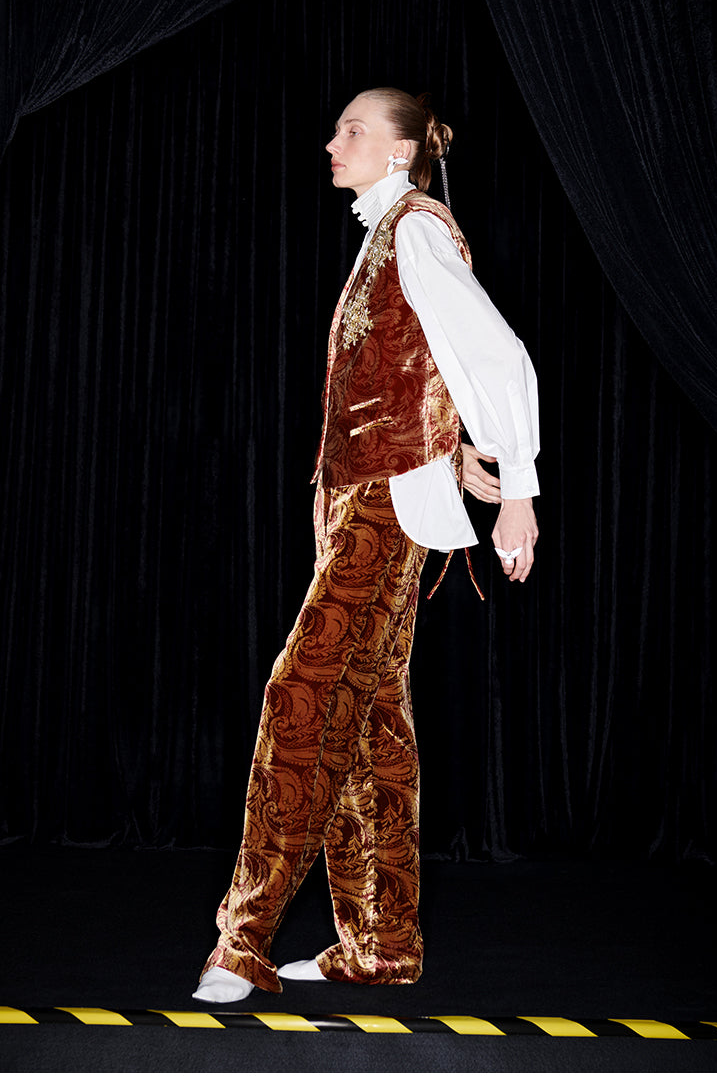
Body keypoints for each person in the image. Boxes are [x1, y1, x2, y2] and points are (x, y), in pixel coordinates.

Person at [193, 88, 539, 1004]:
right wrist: (453, 447)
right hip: (361, 501)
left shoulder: (417, 228)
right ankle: (381, 945)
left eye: (353, 130)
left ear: (399, 151)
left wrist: (519, 489)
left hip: (384, 509)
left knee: (301, 696)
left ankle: (243, 938)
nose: (332, 142)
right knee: (374, 726)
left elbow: (497, 356)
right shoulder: (388, 231)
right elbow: (423, 367)